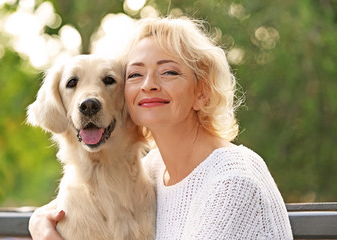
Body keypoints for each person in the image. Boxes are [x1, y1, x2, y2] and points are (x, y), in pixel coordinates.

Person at [29, 16, 293, 239]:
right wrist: (39, 222)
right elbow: (88, 199)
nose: (148, 85)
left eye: (169, 72)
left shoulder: (232, 183)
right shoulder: (155, 170)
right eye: (135, 74)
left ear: (202, 92)